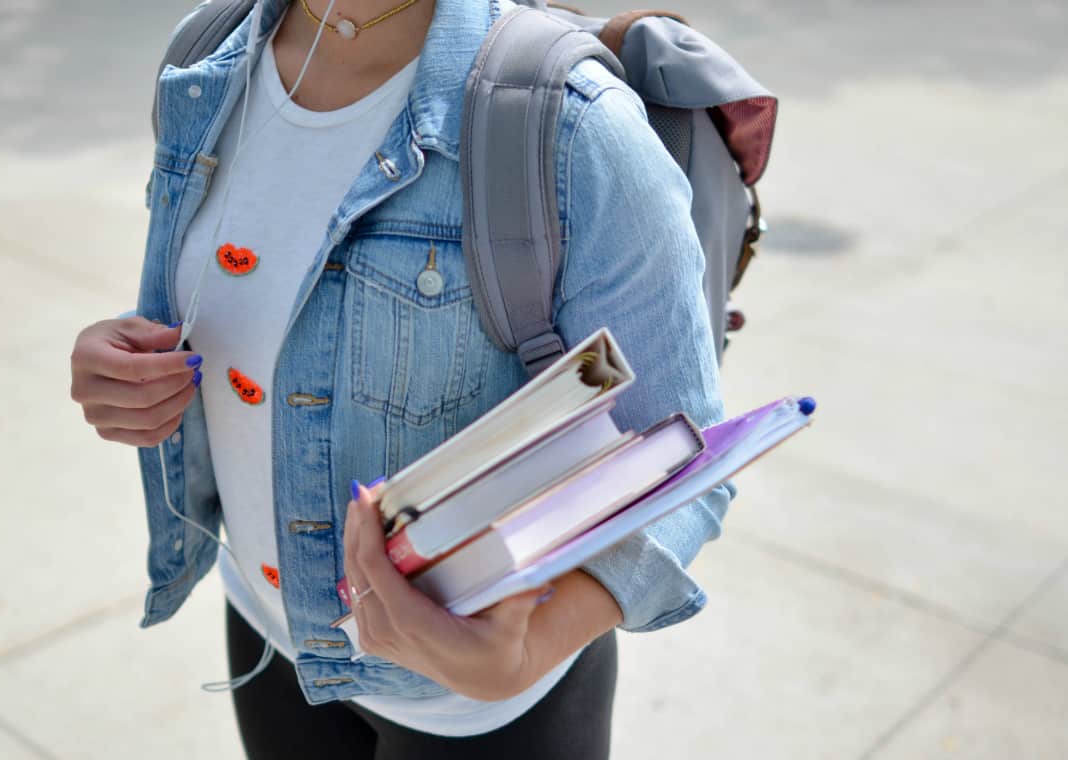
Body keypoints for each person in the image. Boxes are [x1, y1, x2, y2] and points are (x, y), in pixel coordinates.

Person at [68, 0, 732, 756]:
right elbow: (250, 297)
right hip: (264, 632)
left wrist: (528, 647)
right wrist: (127, 366)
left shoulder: (572, 124)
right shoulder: (205, 57)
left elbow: (684, 453)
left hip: (483, 715)